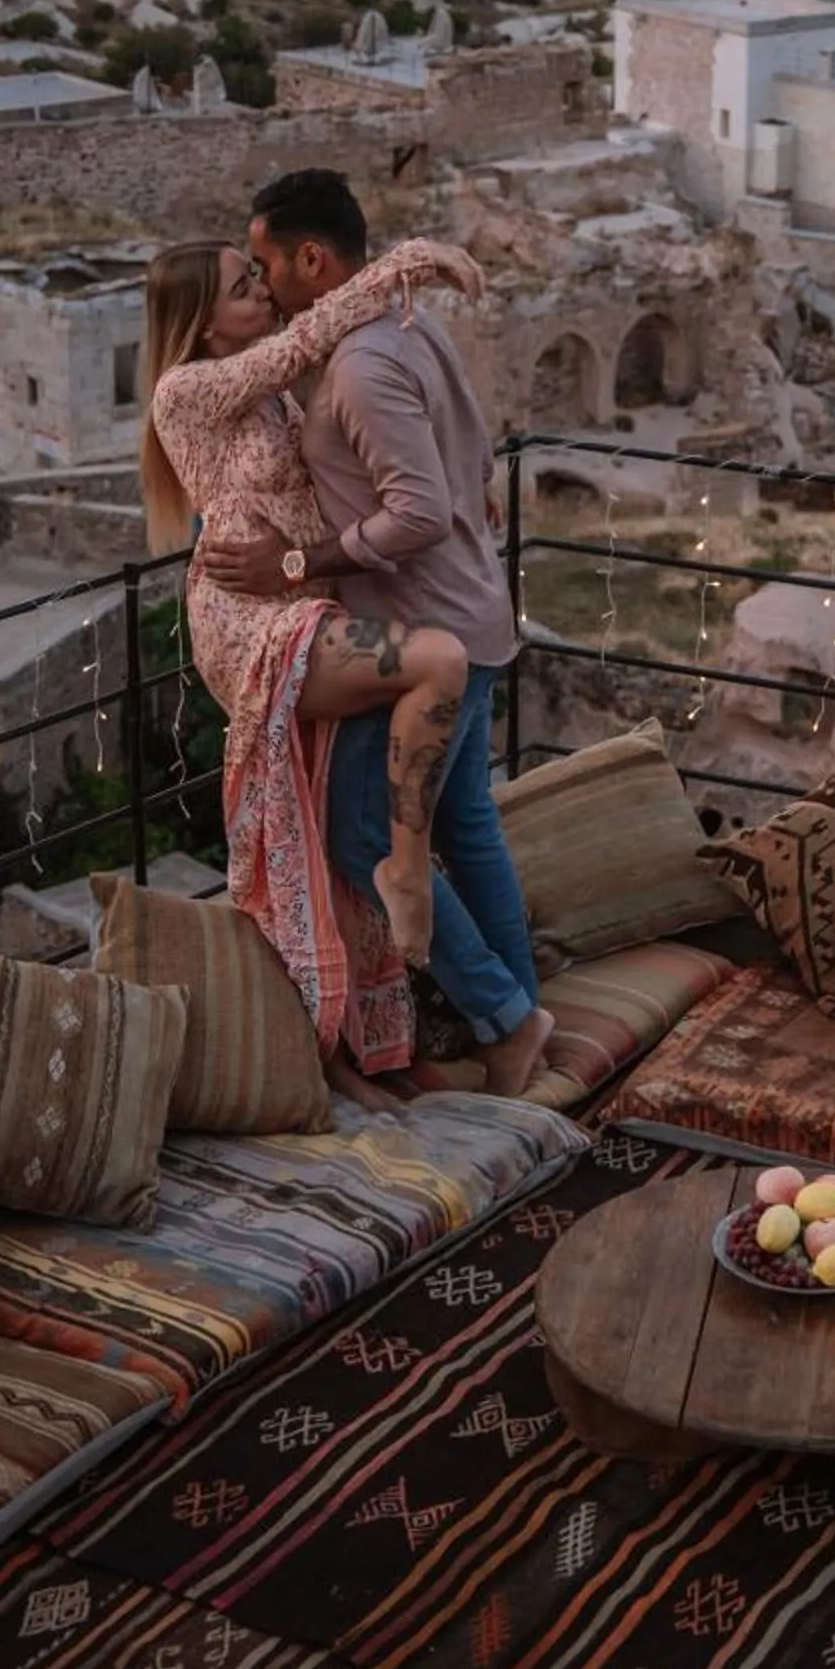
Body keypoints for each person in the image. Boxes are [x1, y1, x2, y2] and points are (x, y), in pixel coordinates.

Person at [198, 170, 554, 1099]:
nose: (267, 284)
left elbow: (421, 512)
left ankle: (507, 1021)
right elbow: (469, 457)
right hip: (471, 610)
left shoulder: (358, 364)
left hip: (421, 621)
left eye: (268, 263)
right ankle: (522, 1016)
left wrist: (298, 561)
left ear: (312, 259)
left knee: (363, 834)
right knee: (468, 825)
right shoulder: (408, 327)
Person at [140, 231, 482, 1091]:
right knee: (439, 661)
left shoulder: (271, 398)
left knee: (325, 827)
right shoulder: (184, 391)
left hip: (300, 603)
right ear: (199, 316)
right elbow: (305, 339)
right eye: (239, 284)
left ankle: (355, 1056)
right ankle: (408, 870)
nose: (260, 290)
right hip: (245, 620)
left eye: (256, 275)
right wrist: (408, 261)